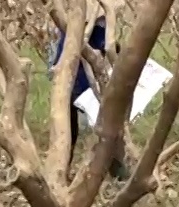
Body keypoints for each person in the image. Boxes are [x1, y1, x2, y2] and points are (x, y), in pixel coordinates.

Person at [47, 14, 126, 179]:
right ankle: (115, 169)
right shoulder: (88, 30)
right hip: (78, 81)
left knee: (75, 129)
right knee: (101, 126)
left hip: (74, 80)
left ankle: (114, 168)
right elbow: (109, 47)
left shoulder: (73, 31)